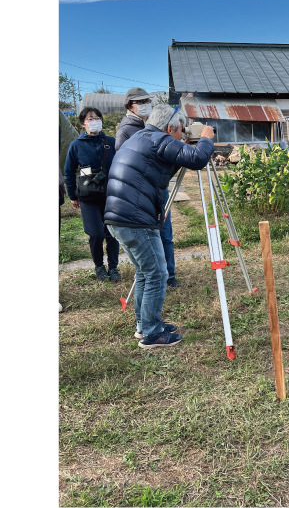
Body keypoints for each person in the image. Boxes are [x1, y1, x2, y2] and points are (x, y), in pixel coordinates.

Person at [105, 104, 215, 348]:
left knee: (145, 273)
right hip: (135, 220)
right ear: (169, 127)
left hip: (119, 217)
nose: (182, 133)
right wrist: (205, 139)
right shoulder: (159, 139)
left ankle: (143, 326)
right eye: (180, 129)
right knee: (157, 273)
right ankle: (153, 334)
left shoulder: (141, 138)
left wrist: (183, 145)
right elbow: (197, 159)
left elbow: (164, 166)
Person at [115, 88, 179, 288]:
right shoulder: (125, 130)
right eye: (139, 102)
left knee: (165, 234)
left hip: (156, 188)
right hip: (140, 194)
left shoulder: (153, 126)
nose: (144, 104)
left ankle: (169, 274)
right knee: (149, 237)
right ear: (129, 106)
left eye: (146, 100)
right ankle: (153, 276)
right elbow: (123, 165)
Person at [63, 107, 122, 282]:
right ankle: (99, 266)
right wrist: (72, 195)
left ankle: (113, 267)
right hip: (88, 197)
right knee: (96, 234)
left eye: (97, 118)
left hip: (111, 196)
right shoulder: (76, 145)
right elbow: (69, 172)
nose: (94, 121)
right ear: (83, 123)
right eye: (90, 119)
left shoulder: (111, 142)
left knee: (112, 233)